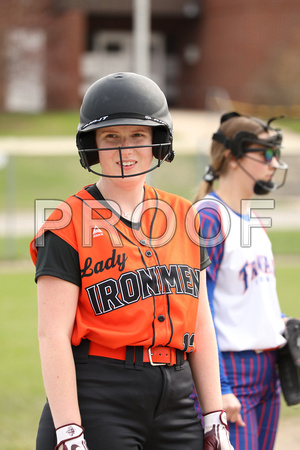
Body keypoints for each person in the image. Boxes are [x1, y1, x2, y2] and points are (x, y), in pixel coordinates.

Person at [30, 72, 234, 450]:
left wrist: (213, 415)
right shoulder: (65, 223)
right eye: (111, 137)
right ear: (92, 146)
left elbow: (201, 325)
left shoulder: (185, 216)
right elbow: (52, 335)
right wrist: (69, 431)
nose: (126, 150)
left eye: (138, 135)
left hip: (177, 397)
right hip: (100, 396)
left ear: (157, 141)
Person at [191, 111, 290, 449]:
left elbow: (251, 301)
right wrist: (220, 386)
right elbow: (200, 309)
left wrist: (283, 324)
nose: (273, 162)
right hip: (232, 370)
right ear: (232, 157)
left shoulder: (252, 218)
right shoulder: (209, 216)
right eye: (264, 153)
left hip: (268, 370)